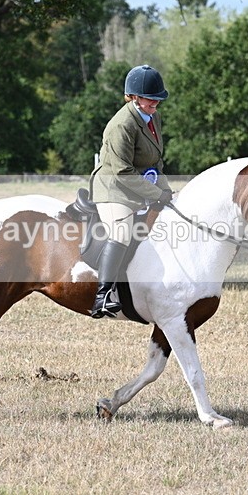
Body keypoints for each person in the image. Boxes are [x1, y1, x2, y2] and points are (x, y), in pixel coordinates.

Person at [88, 64, 174, 318]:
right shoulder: (121, 125)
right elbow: (121, 172)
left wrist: (166, 190)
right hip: (114, 188)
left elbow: (155, 162)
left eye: (158, 98)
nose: (155, 103)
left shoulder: (153, 117)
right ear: (133, 97)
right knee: (122, 232)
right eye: (150, 99)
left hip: (139, 185)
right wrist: (156, 194)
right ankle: (102, 295)